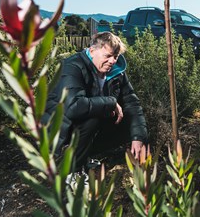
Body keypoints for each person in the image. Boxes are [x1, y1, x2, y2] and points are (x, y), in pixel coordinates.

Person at [45, 32, 148, 181]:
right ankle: (70, 172)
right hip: (60, 129)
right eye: (108, 56)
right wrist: (111, 102)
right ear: (92, 51)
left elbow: (132, 103)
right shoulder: (72, 66)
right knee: (92, 120)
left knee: (131, 123)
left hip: (85, 127)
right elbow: (73, 107)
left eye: (116, 56)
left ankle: (83, 156)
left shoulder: (117, 72)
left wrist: (138, 137)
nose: (112, 61)